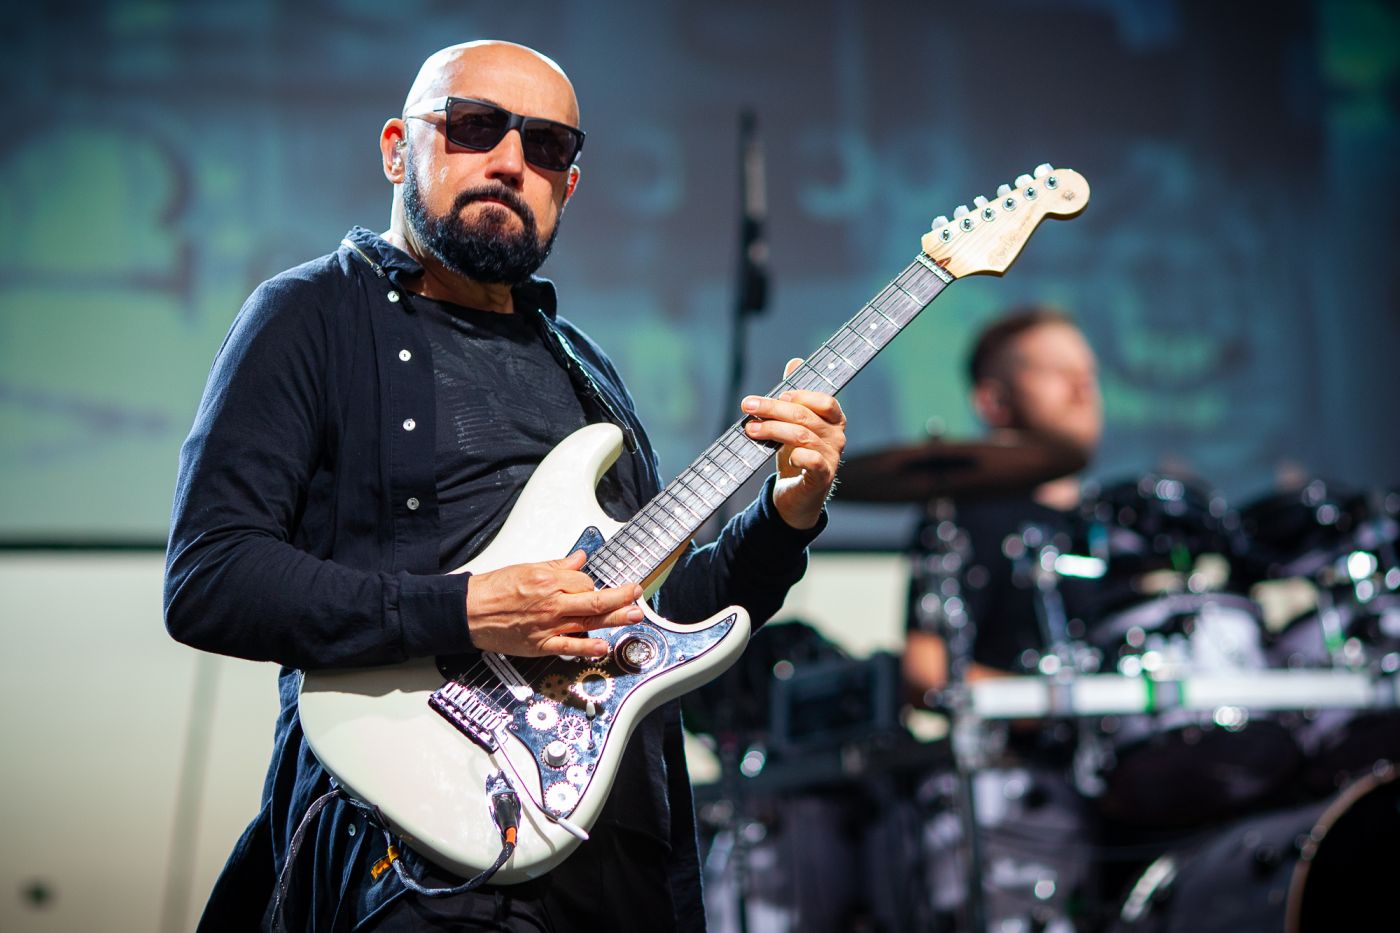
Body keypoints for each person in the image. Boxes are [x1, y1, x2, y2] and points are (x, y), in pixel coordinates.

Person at [164, 40, 846, 932]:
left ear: (569, 184)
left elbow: (656, 622)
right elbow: (211, 578)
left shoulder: (585, 370)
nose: (511, 161)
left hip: (615, 860)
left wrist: (787, 515)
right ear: (397, 150)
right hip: (412, 857)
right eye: (475, 126)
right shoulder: (310, 314)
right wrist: (469, 609)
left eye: (547, 145)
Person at [902, 306, 1102, 698]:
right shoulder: (967, 519)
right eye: (1057, 372)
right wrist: (1059, 705)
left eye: (1088, 373)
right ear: (993, 401)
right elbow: (926, 667)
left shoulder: (1112, 519)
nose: (1083, 389)